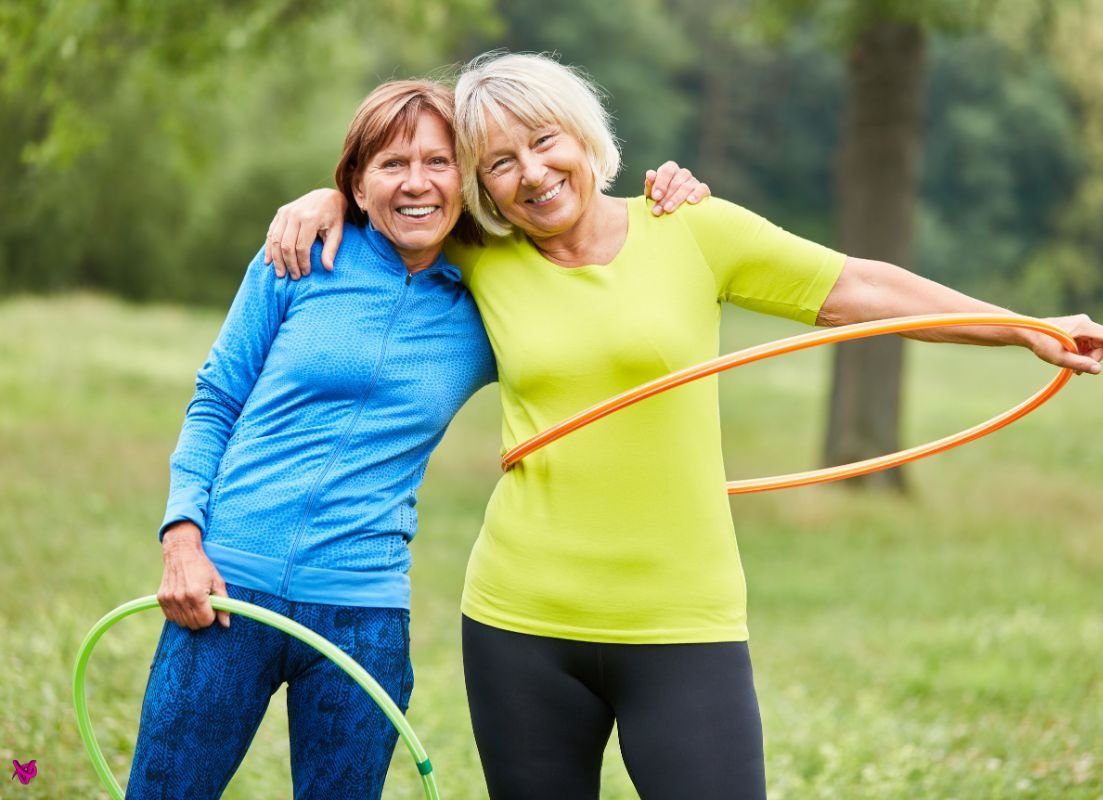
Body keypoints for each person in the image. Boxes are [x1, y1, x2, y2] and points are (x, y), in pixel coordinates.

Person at [266, 52, 1103, 800]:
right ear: (481, 187)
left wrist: (1028, 327)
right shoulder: (481, 256)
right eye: (499, 163)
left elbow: (862, 290)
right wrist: (322, 199)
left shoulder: (691, 228)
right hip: (520, 621)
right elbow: (401, 195)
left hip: (683, 620)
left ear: (585, 135)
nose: (530, 173)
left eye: (545, 142)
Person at [128, 74, 708, 800]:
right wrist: (182, 537)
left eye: (438, 163)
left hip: (363, 609)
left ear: (465, 182)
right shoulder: (300, 256)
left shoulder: (492, 294)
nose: (417, 183)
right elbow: (216, 399)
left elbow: (604, 296)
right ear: (358, 184)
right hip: (225, 588)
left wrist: (669, 206)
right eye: (392, 165)